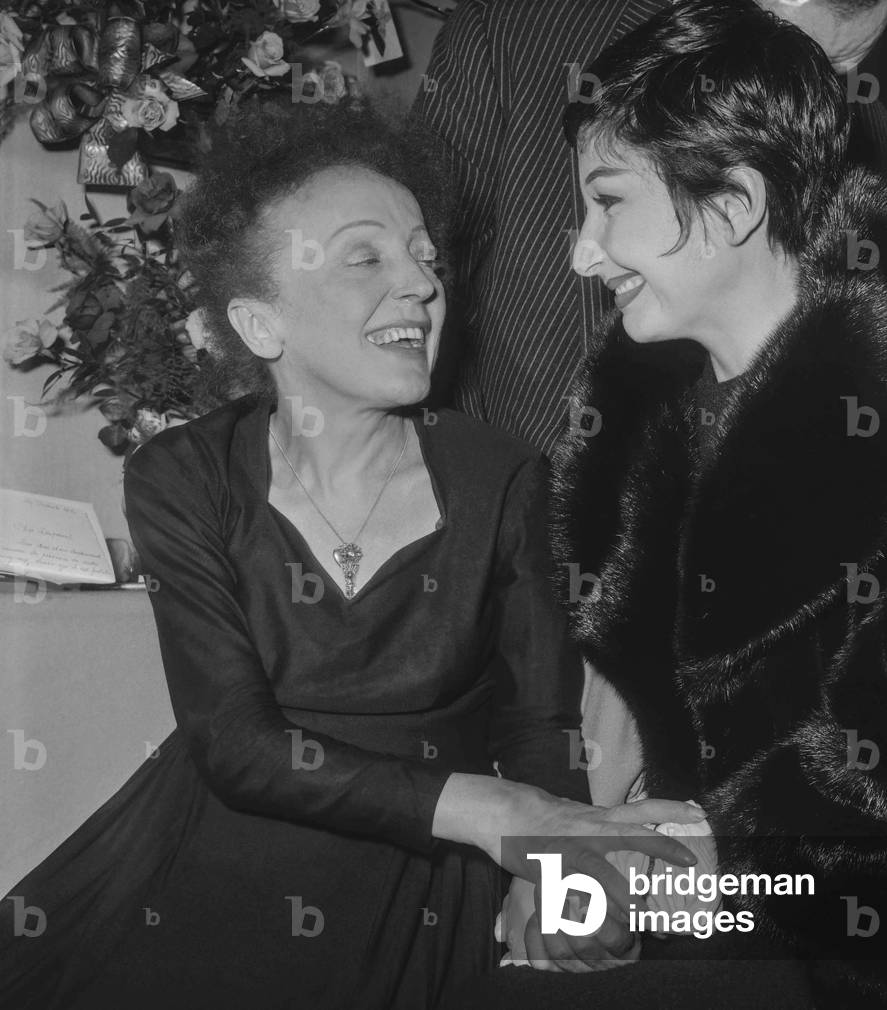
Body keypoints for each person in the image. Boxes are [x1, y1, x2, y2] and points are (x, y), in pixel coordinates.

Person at [0, 100, 701, 1010]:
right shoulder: (183, 474)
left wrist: (546, 864)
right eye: (365, 256)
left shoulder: (504, 473)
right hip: (211, 870)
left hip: (425, 893)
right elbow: (237, 746)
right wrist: (511, 819)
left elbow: (538, 717)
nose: (419, 285)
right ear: (260, 324)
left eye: (424, 257)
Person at [446, 1, 887, 1007]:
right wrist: (573, 859)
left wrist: (694, 861)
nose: (583, 253)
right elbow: (650, 763)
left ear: (732, 206)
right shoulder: (630, 431)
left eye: (608, 202)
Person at [413, 0, 887, 456]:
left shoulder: (872, 142)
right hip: (508, 476)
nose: (809, 96)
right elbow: (417, 259)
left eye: (833, 72)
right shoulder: (515, 25)